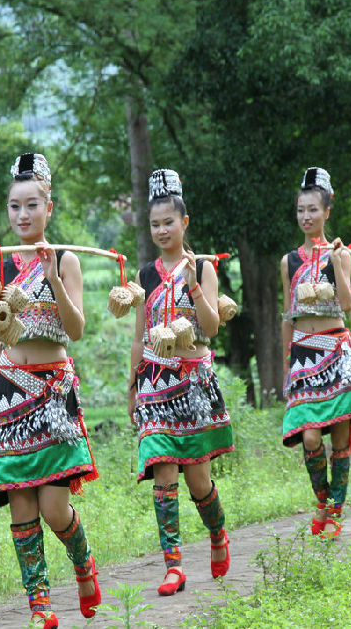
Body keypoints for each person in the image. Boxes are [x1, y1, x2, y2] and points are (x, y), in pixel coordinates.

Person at [0, 153, 99, 629]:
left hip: (52, 395)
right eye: (13, 207)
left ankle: (82, 561)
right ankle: (39, 603)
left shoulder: (65, 261)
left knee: (53, 508)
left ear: (49, 207)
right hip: (8, 393)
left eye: (31, 206)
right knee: (20, 505)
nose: (22, 216)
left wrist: (51, 280)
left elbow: (77, 328)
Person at [128, 168, 234, 597]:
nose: (161, 230)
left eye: (168, 222)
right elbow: (139, 335)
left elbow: (210, 327)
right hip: (155, 382)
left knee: (199, 482)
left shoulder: (203, 267)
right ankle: (173, 565)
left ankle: (217, 534)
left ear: (184, 222)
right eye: (154, 224)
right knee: (163, 474)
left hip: (193, 384)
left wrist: (193, 286)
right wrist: (132, 388)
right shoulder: (144, 275)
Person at [280, 167, 351, 538]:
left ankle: (334, 512)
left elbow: (349, 304)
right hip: (304, 355)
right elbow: (288, 314)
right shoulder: (288, 262)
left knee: (338, 438)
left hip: (336, 350)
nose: (306, 217)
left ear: (327, 212)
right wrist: (289, 362)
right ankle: (323, 500)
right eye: (301, 210)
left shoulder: (343, 254)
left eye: (313, 210)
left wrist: (336, 261)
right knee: (310, 437)